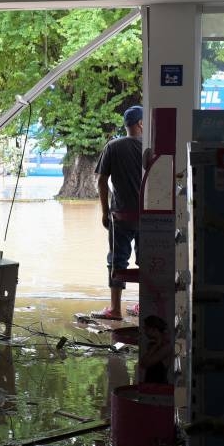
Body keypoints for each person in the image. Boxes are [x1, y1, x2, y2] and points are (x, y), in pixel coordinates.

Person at [93, 105, 143, 320]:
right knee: (147, 259)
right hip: (150, 216)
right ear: (141, 123)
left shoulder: (113, 147)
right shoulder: (152, 147)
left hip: (120, 216)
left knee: (117, 260)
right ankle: (145, 305)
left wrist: (104, 212)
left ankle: (115, 309)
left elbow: (101, 181)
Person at [139, 315, 173, 384]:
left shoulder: (166, 347)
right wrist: (156, 345)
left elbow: (144, 364)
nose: (144, 331)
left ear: (154, 329)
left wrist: (156, 345)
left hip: (160, 390)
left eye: (146, 328)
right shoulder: (152, 345)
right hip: (150, 387)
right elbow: (142, 363)